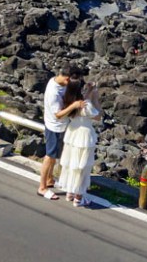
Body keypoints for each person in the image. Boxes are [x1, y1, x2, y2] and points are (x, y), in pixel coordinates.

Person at [38, 65, 85, 200]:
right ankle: (42, 188)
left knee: (54, 156)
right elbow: (58, 114)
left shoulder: (56, 80)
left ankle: (49, 179)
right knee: (50, 156)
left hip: (57, 125)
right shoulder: (53, 92)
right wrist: (74, 106)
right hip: (55, 127)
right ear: (67, 78)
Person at [58, 79, 102, 207]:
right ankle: (79, 197)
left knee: (71, 163)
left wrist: (89, 92)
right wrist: (95, 97)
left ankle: (69, 192)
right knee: (82, 167)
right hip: (84, 135)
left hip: (72, 132)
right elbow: (98, 116)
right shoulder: (85, 104)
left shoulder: (69, 101)